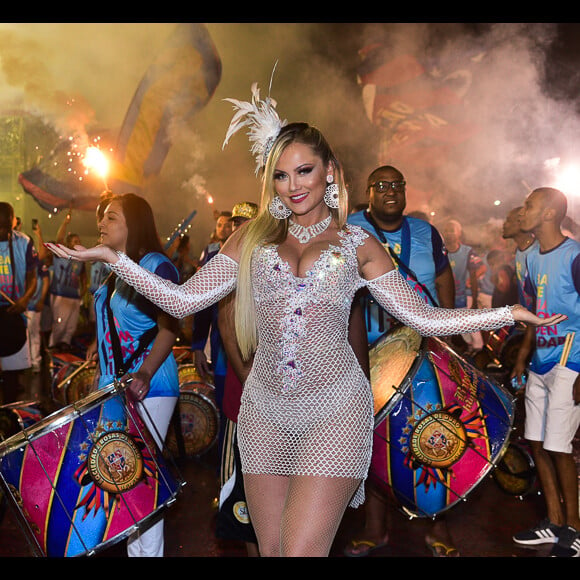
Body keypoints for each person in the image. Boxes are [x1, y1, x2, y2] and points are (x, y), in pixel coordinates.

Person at [45, 82, 565, 557]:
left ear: (329, 171)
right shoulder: (248, 239)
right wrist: (115, 261)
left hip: (335, 412)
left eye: (304, 171)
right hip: (264, 413)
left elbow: (419, 316)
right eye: (280, 174)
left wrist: (505, 313)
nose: (293, 185)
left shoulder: (357, 242)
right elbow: (182, 303)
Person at [346, 165, 458, 557]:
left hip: (423, 351)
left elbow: (444, 278)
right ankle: (376, 529)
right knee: (376, 440)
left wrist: (447, 324)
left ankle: (437, 525)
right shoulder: (349, 228)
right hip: (367, 354)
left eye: (398, 185)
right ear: (369, 191)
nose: (391, 191)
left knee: (433, 435)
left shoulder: (426, 232)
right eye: (382, 185)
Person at [85, 193, 181, 557]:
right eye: (102, 217)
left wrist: (145, 370)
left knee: (141, 481)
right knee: (122, 480)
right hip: (114, 388)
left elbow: (170, 326)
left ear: (133, 224)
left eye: (111, 217)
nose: (101, 224)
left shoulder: (156, 265)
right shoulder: (115, 270)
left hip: (150, 384)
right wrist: (99, 347)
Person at [511, 187, 580, 557]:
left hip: (571, 360)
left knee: (559, 447)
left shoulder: (575, 256)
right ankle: (554, 523)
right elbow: (534, 315)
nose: (523, 211)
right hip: (540, 360)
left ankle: (576, 528)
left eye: (530, 206)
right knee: (537, 442)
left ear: (550, 214)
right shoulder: (532, 258)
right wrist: (523, 357)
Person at [215, 200, 259, 556]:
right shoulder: (231, 265)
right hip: (244, 396)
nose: (239, 229)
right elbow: (225, 321)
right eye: (236, 224)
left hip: (295, 404)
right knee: (244, 494)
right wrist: (248, 379)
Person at [0, 202, 38, 404]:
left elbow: (33, 277)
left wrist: (25, 300)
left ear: (12, 223)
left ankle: (9, 418)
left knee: (12, 376)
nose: (1, 232)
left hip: (14, 313)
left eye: (4, 227)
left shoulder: (24, 242)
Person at [440, 218, 486, 354]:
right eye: (446, 230)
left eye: (452, 230)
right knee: (457, 326)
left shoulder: (467, 252)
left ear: (459, 233)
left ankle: (478, 351)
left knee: (470, 325)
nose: (449, 233)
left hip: (464, 296)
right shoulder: (440, 251)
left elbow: (478, 270)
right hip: (447, 296)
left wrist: (474, 300)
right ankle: (468, 349)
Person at [48, 210, 87, 350]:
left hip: (74, 296)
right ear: (69, 244)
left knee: (71, 324)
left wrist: (83, 290)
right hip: (61, 295)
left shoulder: (80, 258)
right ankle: (53, 346)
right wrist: (65, 223)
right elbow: (59, 239)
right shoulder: (62, 255)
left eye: (79, 241)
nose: (78, 243)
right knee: (60, 323)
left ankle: (65, 344)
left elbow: (82, 275)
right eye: (75, 241)